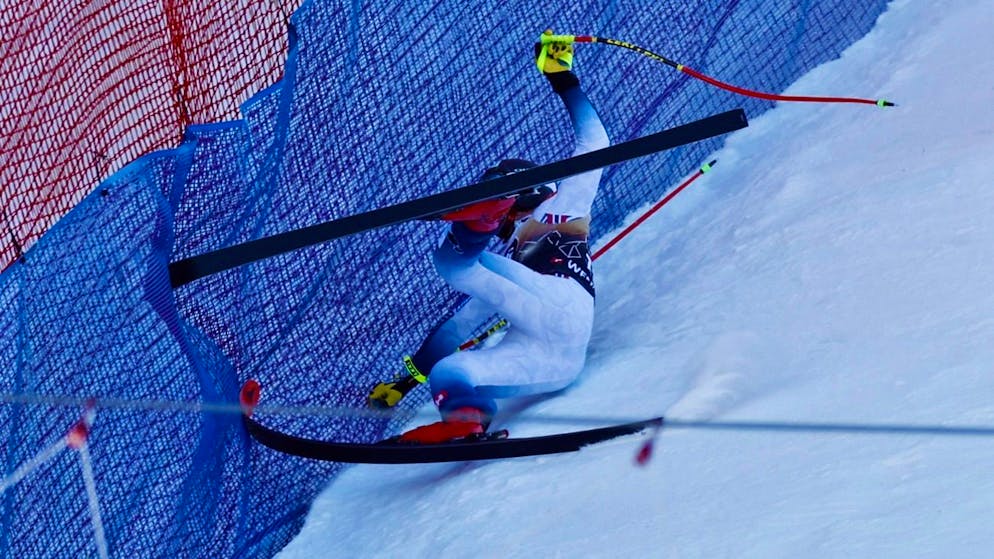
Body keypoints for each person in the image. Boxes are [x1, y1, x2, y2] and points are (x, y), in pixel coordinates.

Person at [383, 32, 610, 444]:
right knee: (453, 373)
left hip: (561, 304)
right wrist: (405, 384)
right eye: (492, 207)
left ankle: (484, 210)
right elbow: (455, 330)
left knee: (457, 263)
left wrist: (562, 76)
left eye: (500, 204)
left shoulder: (561, 206)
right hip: (556, 363)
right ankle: (466, 427)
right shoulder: (511, 262)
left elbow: (596, 142)